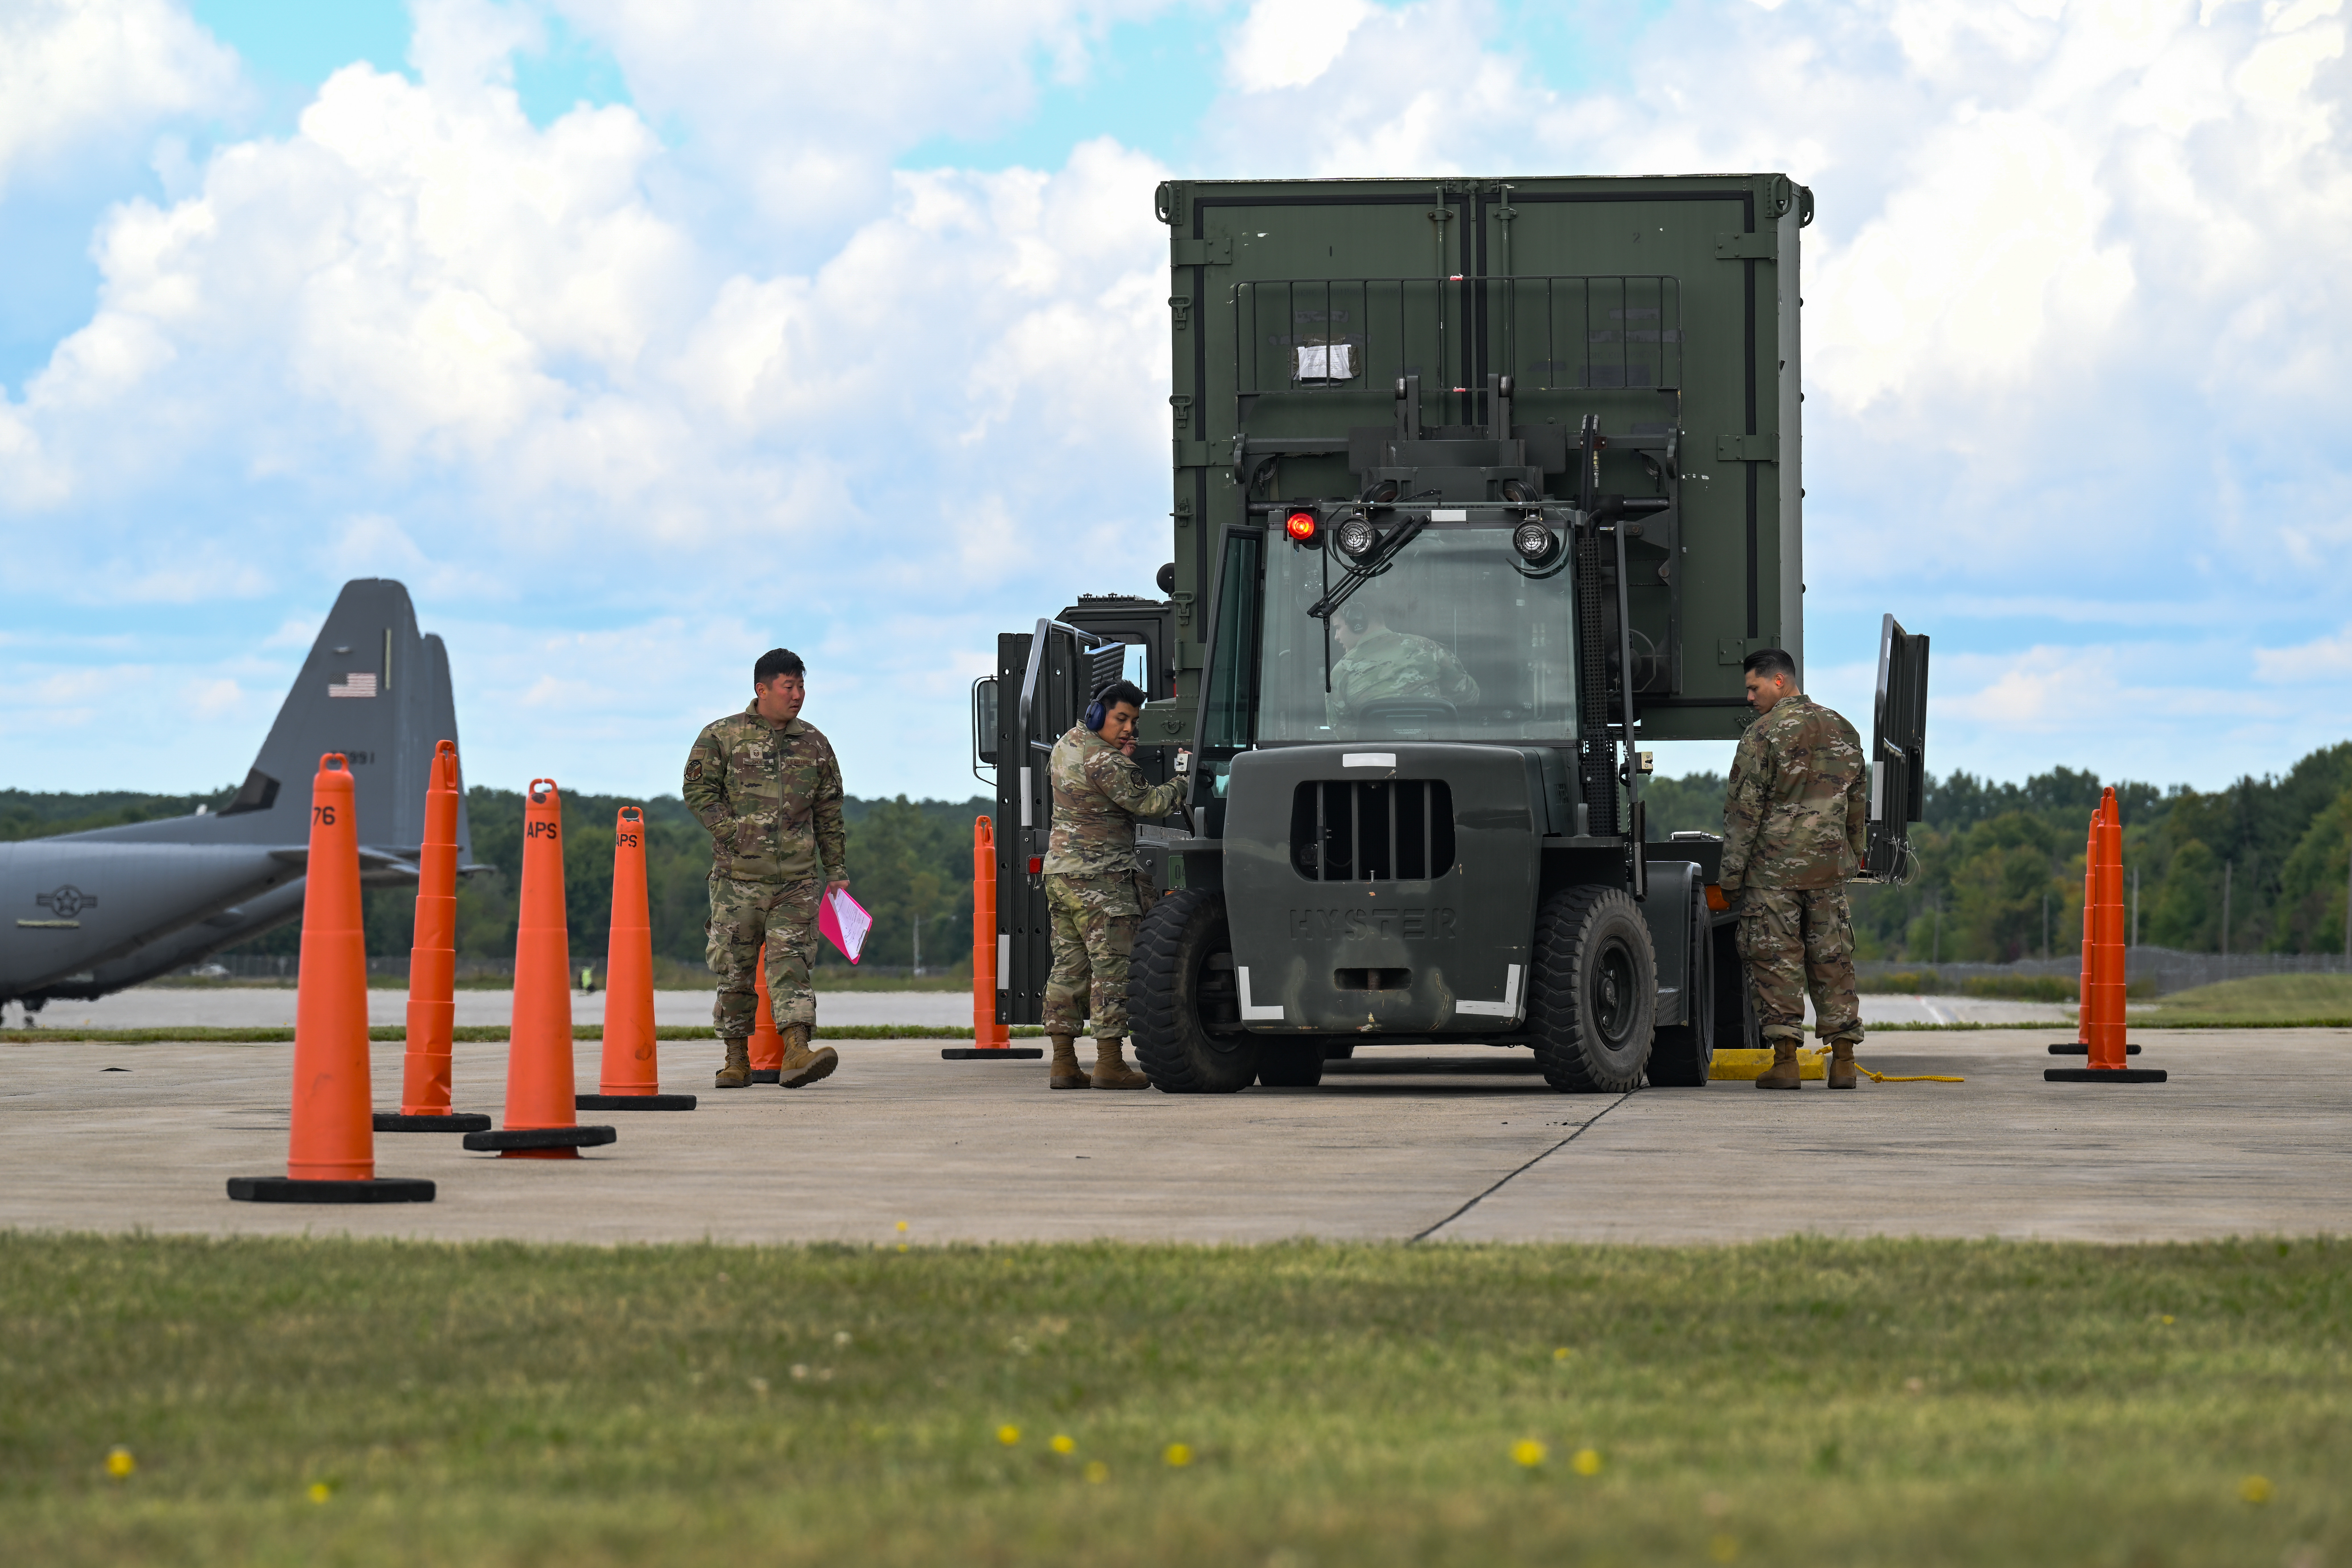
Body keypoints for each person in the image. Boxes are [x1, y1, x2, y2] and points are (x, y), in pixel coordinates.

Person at [683, 648, 850, 1091]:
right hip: (738, 882)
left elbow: (830, 809)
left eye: (801, 686)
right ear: (763, 689)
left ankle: (797, 1050)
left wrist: (836, 869)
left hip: (797, 880)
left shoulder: (814, 743)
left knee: (791, 965)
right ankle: (736, 1060)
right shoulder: (723, 736)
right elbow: (698, 790)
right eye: (788, 687)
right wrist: (731, 832)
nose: (798, 695)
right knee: (735, 972)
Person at [1718, 647, 1871, 1090]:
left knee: (1775, 962)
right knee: (1833, 960)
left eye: (1754, 687)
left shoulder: (1763, 734)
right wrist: (1850, 856)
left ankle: (1785, 1063)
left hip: (1773, 874)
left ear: (1779, 681)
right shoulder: (1844, 728)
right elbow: (1857, 806)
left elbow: (1744, 811)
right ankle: (1843, 1062)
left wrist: (1731, 877)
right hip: (1828, 871)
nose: (1749, 697)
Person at [1041, 678, 1190, 1090]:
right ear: (1098, 715)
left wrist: (1120, 754)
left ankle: (1064, 1064)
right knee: (1112, 969)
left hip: (1060, 875)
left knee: (1068, 969)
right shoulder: (1107, 762)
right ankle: (1110, 1064)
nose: (1129, 729)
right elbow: (1152, 804)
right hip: (1102, 879)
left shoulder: (1068, 744)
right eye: (1121, 718)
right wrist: (1184, 776)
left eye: (1134, 722)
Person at [1327, 601, 1478, 729]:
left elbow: (1345, 733)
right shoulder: (1429, 648)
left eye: (1338, 628)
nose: (1336, 637)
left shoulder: (1341, 672)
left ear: (1357, 623)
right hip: (1435, 757)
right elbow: (1471, 697)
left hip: (1377, 760)